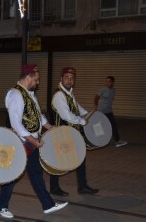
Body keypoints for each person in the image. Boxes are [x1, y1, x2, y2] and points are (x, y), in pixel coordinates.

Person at [0, 64, 68, 219]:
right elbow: (16, 123)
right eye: (36, 79)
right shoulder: (15, 94)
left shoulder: (29, 94)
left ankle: (48, 204)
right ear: (28, 78)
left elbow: (38, 116)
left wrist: (50, 127)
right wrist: (33, 141)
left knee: (36, 174)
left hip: (31, 141)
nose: (38, 82)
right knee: (13, 175)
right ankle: (2, 206)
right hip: (20, 142)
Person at [50, 67, 99, 197]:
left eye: (72, 78)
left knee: (80, 157)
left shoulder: (69, 93)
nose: (69, 80)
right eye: (66, 77)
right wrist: (82, 121)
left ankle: (82, 186)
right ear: (61, 79)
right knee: (59, 160)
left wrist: (87, 113)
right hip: (61, 133)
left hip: (70, 133)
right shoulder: (59, 94)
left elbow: (76, 107)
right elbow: (66, 115)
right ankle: (54, 187)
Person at [94, 76, 128, 147]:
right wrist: (96, 107)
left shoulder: (113, 90)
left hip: (109, 111)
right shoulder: (102, 90)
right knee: (99, 127)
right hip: (101, 112)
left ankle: (118, 141)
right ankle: (98, 141)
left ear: (112, 82)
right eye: (106, 81)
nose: (107, 83)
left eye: (109, 81)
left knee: (113, 126)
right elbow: (96, 98)